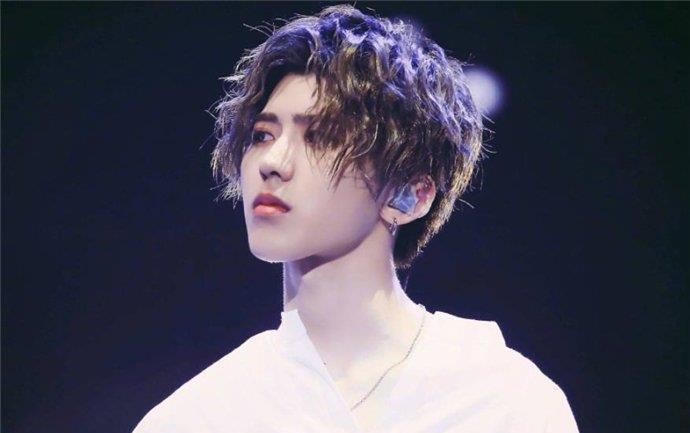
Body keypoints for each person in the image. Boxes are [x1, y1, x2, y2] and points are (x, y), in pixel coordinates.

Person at [133, 4, 579, 432]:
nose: (273, 162)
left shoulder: (503, 401)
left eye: (320, 137)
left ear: (410, 195)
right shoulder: (197, 419)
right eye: (263, 135)